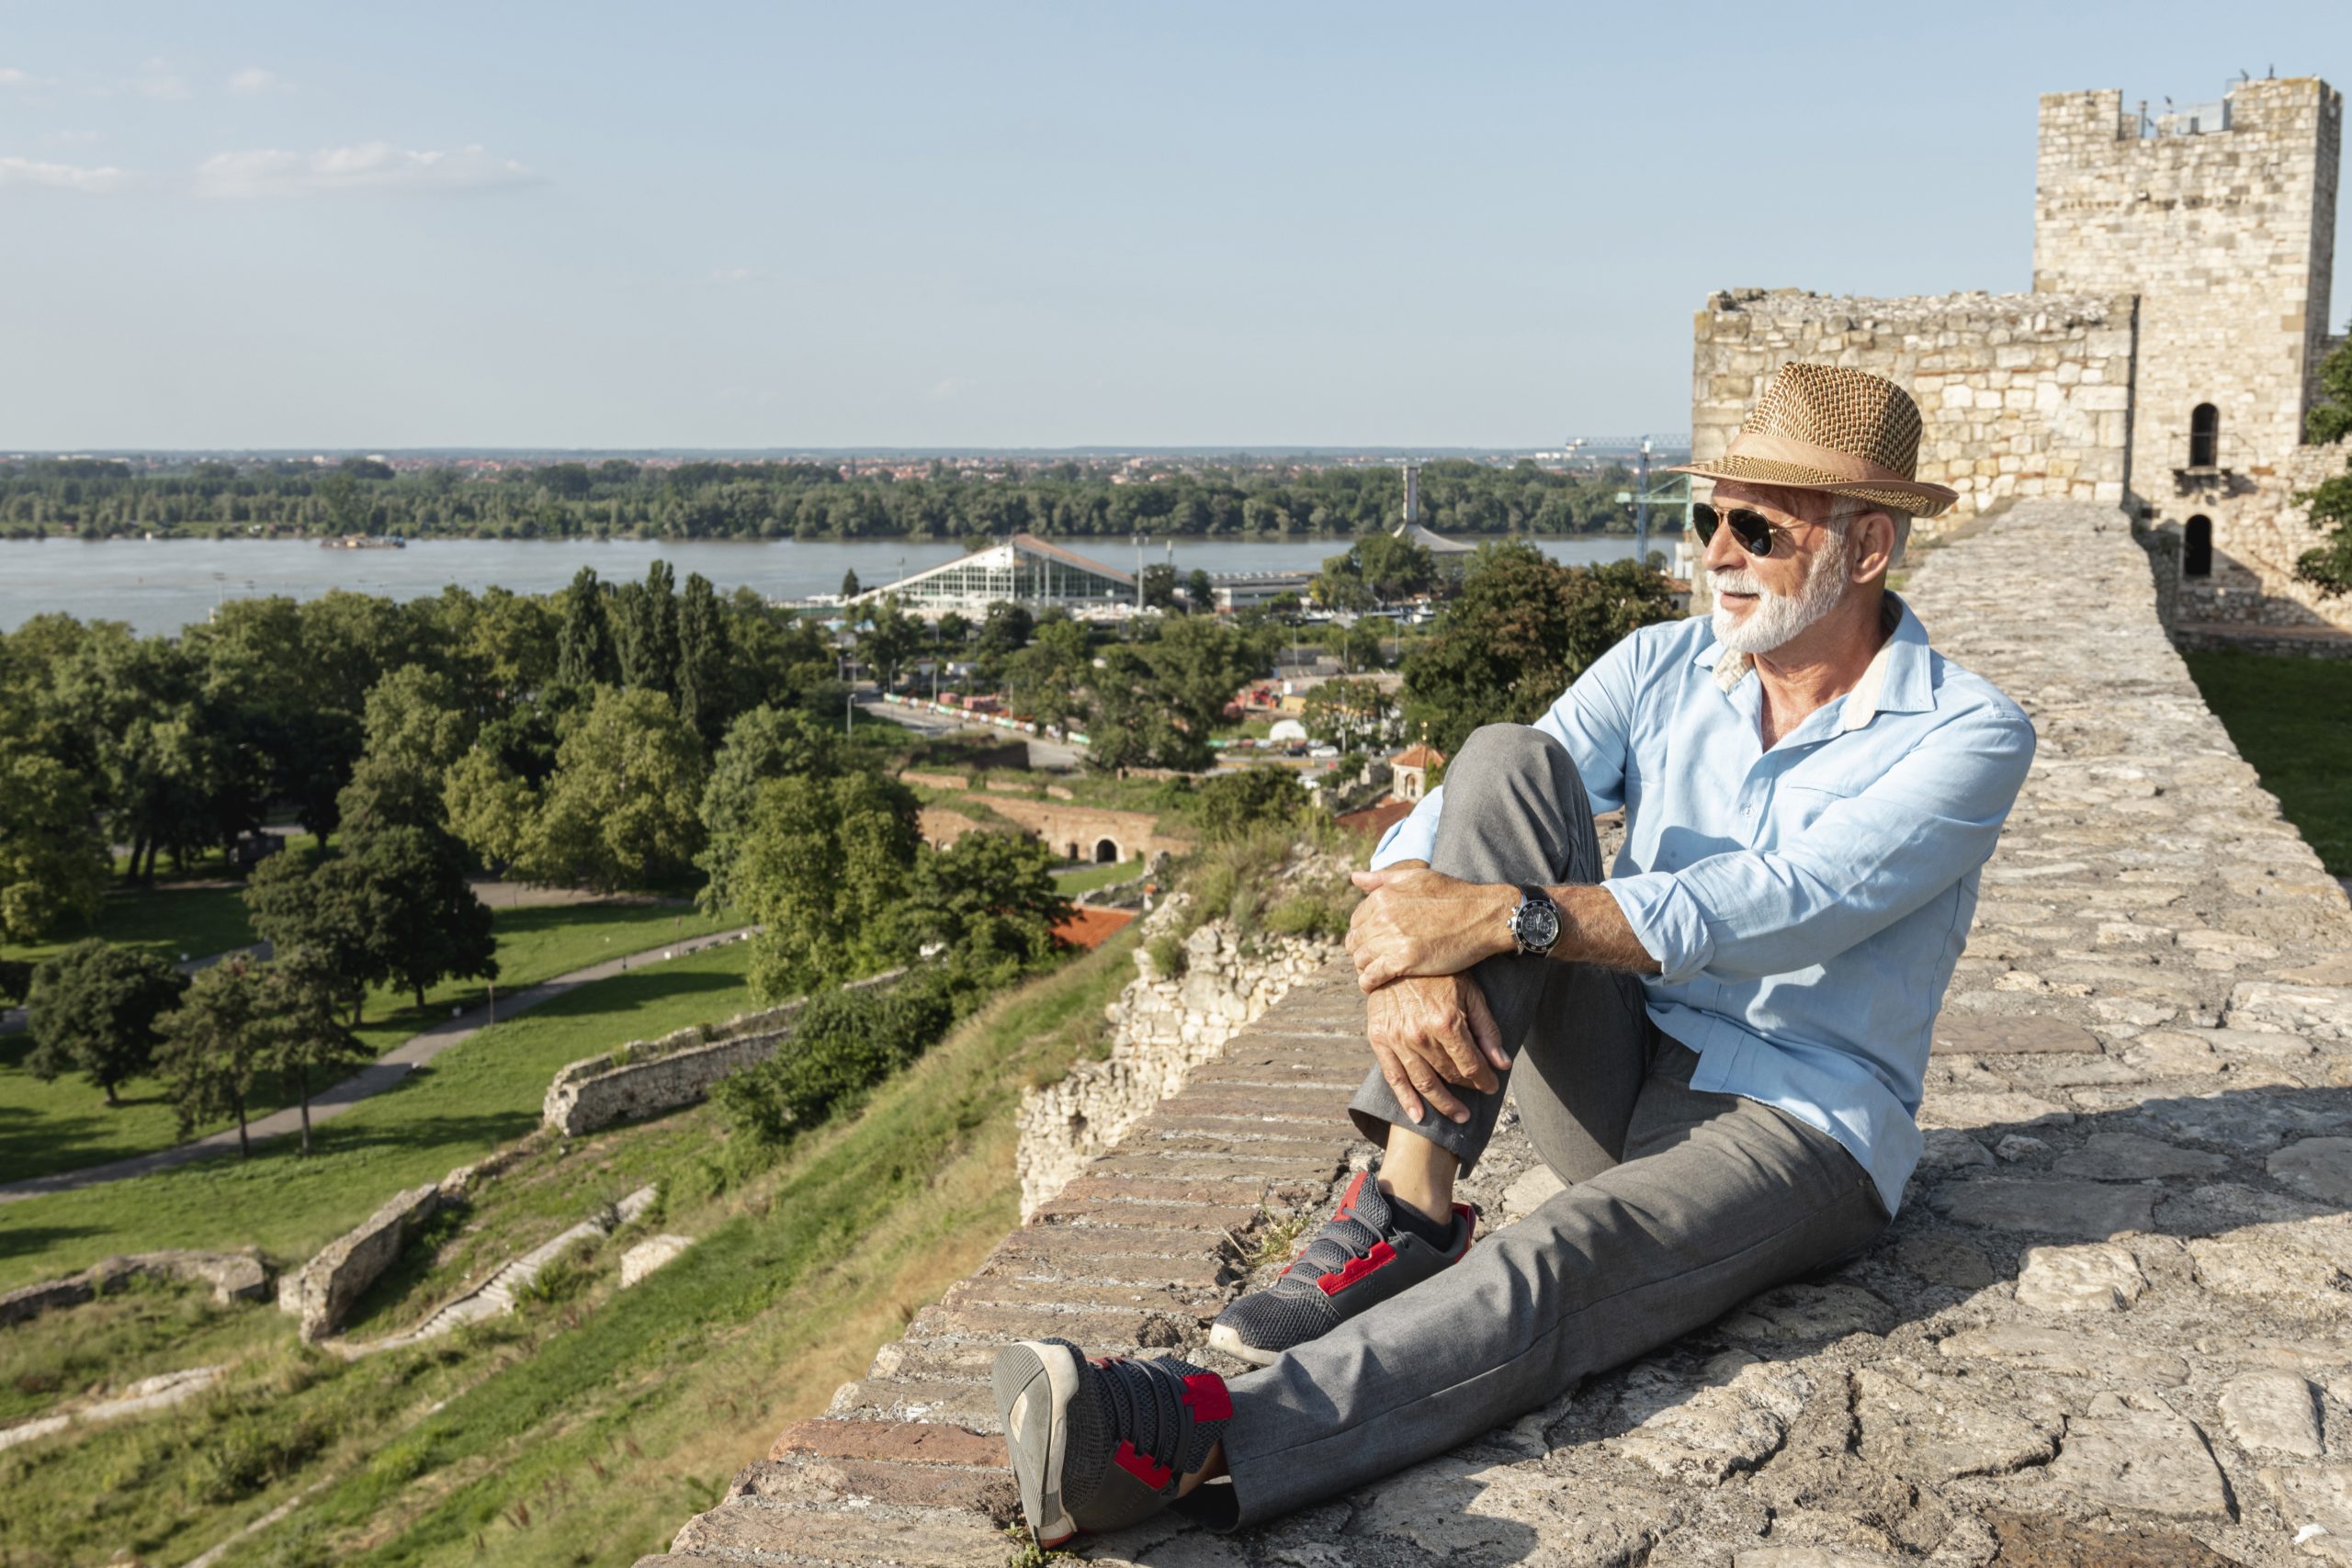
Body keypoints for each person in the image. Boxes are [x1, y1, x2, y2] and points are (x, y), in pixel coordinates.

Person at [991, 363, 2037, 1545]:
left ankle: (1196, 1440)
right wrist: (1416, 936)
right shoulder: (1660, 664)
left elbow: (1786, 901)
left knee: (1570, 1255)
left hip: (1798, 1117)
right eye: (1708, 517)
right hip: (1623, 1060)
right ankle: (1409, 1209)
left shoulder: (1966, 733)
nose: (1717, 553)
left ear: (1867, 547)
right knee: (1503, 758)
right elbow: (1454, 819)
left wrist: (1502, 920)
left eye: (1757, 528)